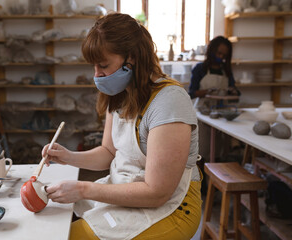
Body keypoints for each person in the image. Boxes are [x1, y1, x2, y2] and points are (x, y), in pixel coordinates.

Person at [42, 13, 202, 240]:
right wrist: (67, 157)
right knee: (56, 224)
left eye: (103, 65)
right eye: (94, 66)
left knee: (71, 236)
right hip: (127, 189)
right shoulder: (120, 93)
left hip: (171, 207)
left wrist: (83, 188)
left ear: (132, 58)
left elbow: (157, 193)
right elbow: (108, 153)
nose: (96, 75)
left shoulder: (169, 102)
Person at [188, 36, 240, 164]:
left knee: (219, 150)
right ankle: (202, 181)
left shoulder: (226, 70)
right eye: (219, 53)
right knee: (203, 150)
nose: (221, 57)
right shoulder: (200, 68)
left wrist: (233, 91)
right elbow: (192, 93)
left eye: (224, 55)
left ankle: (215, 179)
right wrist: (207, 92)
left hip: (222, 114)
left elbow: (236, 93)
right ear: (211, 51)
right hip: (203, 113)